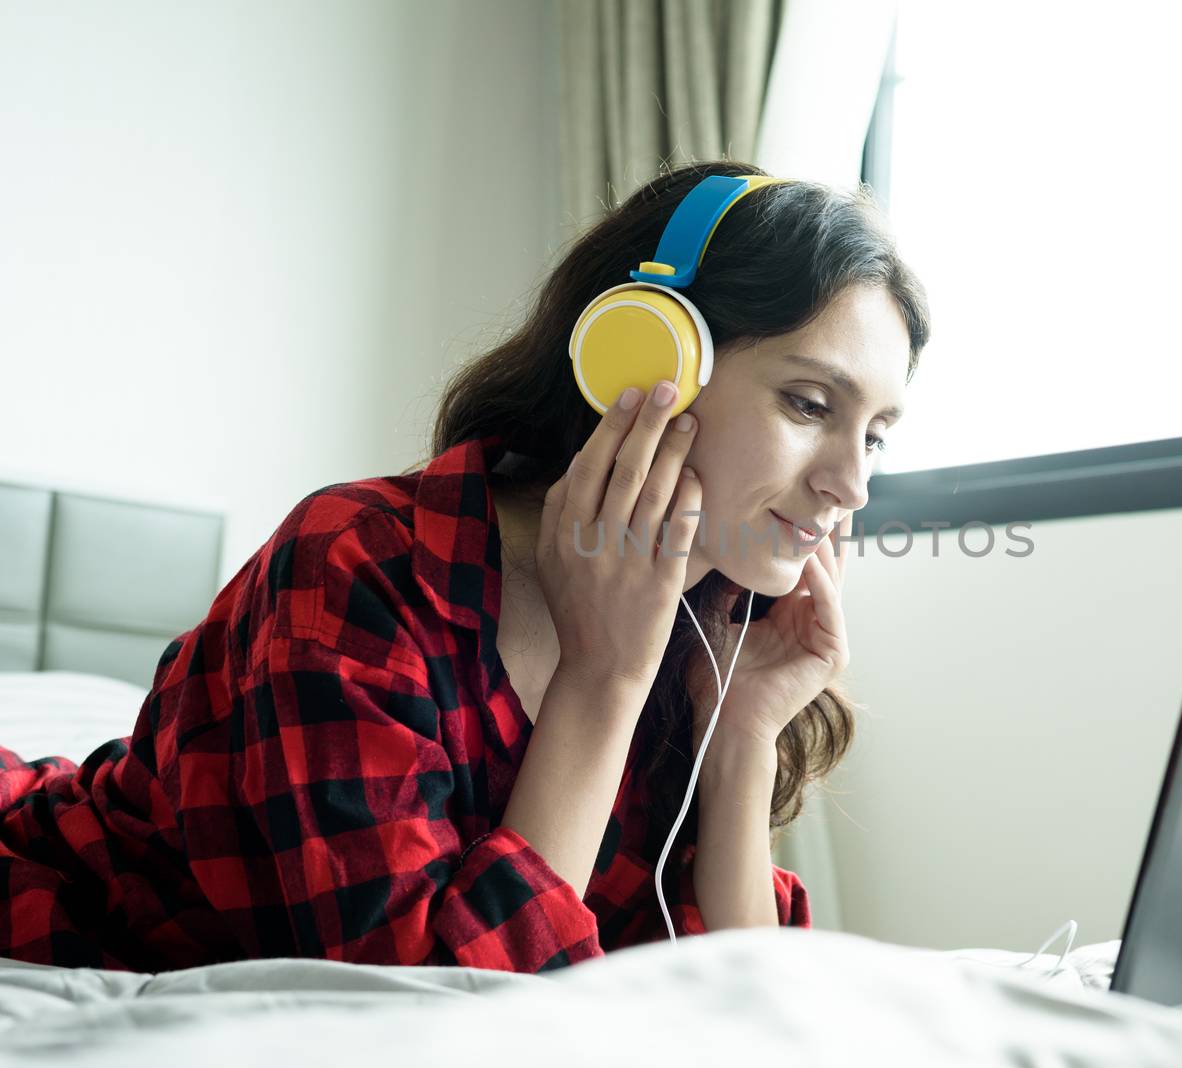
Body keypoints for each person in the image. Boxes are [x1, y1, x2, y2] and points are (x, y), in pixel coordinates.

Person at [0, 159, 931, 973]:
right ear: (646, 363)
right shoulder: (357, 564)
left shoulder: (714, 625)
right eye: (810, 405)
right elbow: (441, 1011)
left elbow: (744, 1006)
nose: (850, 483)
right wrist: (602, 679)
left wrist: (740, 740)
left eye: (877, 437)